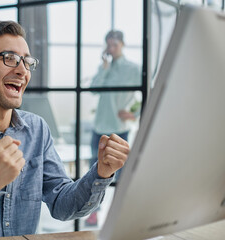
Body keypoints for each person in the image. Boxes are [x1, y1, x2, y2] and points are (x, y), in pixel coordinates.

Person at [0, 21, 130, 239]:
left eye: (27, 61)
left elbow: (62, 203)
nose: (22, 70)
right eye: (9, 58)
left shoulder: (37, 129)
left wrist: (102, 172)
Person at [85, 30, 141, 226]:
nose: (111, 48)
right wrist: (104, 68)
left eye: (114, 44)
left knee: (121, 175)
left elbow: (151, 90)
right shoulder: (104, 67)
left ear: (122, 44)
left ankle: (120, 214)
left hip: (119, 128)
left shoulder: (133, 69)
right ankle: (93, 212)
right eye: (108, 45)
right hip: (99, 126)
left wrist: (135, 114)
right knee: (94, 173)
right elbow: (93, 90)